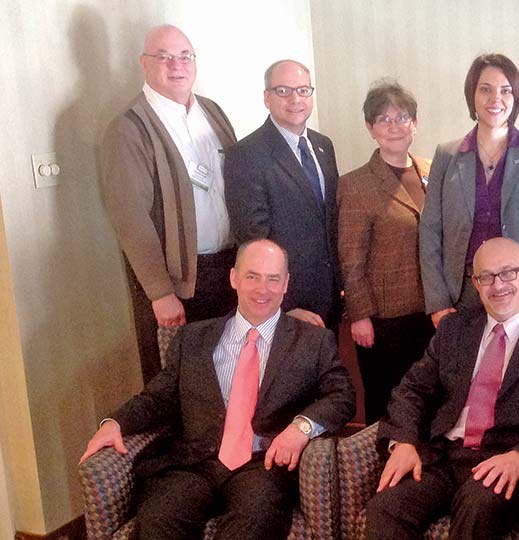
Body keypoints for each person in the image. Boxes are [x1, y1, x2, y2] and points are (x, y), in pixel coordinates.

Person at [79, 239, 355, 540]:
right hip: (193, 463)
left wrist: (300, 428)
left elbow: (342, 395)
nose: (263, 289)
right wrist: (114, 422)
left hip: (262, 465)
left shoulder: (312, 341)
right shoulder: (192, 338)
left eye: (273, 279)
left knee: (251, 526)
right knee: (159, 522)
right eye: (252, 276)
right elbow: (157, 398)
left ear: (286, 284)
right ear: (234, 278)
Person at [365, 237, 519, 540]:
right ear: (476, 284)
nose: (498, 285)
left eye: (508, 273)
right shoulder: (455, 329)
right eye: (486, 277)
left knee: (476, 506)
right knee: (386, 506)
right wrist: (404, 442)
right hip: (445, 457)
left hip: (510, 460)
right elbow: (412, 389)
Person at [100, 24, 237, 383]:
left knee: (227, 375)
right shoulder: (129, 129)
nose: (176, 65)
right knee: (179, 383)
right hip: (178, 282)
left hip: (226, 270)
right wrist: (160, 293)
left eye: (184, 56)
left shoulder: (212, 112)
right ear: (144, 64)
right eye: (164, 57)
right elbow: (130, 217)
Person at [420, 53, 519, 328]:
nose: (495, 99)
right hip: (461, 292)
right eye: (485, 89)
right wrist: (438, 302)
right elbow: (430, 230)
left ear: (515, 97)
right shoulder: (447, 155)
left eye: (505, 90)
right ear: (472, 95)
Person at [338, 79, 434, 425]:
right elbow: (350, 257)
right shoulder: (356, 184)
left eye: (402, 117)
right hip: (383, 318)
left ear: (415, 123)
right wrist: (360, 315)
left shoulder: (433, 170)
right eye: (384, 119)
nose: (394, 126)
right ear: (370, 127)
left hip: (433, 312)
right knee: (388, 404)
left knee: (429, 400)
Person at [225, 59, 341, 329]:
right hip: (288, 304)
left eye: (303, 90)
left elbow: (330, 221)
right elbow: (252, 238)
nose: (295, 99)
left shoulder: (324, 146)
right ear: (266, 97)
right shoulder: (246, 154)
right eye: (283, 91)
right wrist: (283, 305)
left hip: (330, 295)